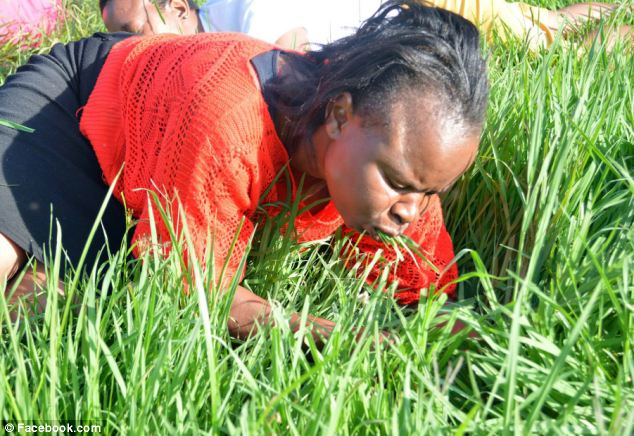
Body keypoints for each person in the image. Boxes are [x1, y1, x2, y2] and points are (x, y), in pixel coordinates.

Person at [0, 1, 488, 342]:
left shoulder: (397, 160)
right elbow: (198, 298)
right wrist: (350, 338)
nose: (412, 210)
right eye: (400, 184)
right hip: (73, 110)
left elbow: (433, 300)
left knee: (74, 298)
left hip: (155, 170)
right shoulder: (232, 122)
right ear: (339, 116)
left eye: (431, 191)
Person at [100, 0, 624, 50]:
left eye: (133, 28)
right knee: (548, 25)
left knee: (554, 38)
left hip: (421, 8)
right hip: (401, 18)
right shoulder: (222, 20)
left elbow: (290, 50)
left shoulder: (246, 19)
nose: (128, 48)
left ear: (178, 8)